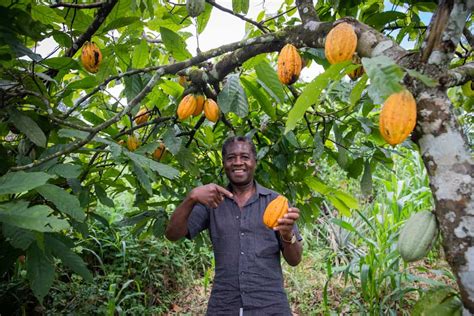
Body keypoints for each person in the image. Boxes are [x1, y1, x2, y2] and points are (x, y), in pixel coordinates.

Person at [165, 135, 303, 315]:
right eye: (231, 158)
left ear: (255, 161)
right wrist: (191, 197)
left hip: (270, 305)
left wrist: (287, 235)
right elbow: (172, 234)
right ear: (224, 163)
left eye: (245, 157)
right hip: (224, 305)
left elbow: (295, 260)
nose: (238, 162)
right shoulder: (212, 201)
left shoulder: (276, 202)